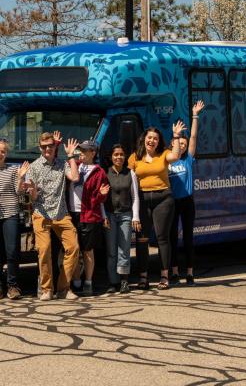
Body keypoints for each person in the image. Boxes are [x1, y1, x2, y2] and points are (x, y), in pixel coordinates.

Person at [128, 121, 186, 290]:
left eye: (155, 138)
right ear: (144, 139)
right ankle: (143, 277)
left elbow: (175, 156)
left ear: (158, 141)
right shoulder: (135, 157)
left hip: (163, 199)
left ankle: (164, 276)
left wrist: (175, 136)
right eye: (149, 137)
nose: (152, 141)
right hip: (142, 200)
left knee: (162, 238)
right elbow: (128, 177)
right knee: (142, 239)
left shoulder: (164, 154)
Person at [24, 132, 80, 301]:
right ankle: (47, 288)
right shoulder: (33, 167)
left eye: (50, 145)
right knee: (44, 249)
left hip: (61, 213)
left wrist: (71, 156)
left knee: (74, 248)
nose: (47, 148)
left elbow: (75, 177)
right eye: (44, 146)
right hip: (41, 214)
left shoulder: (62, 163)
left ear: (55, 146)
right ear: (40, 148)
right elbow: (32, 198)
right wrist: (32, 189)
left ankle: (63, 288)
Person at [0, 139, 30, 300]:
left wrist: (21, 178)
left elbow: (19, 193)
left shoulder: (13, 170)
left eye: (3, 151)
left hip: (10, 214)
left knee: (12, 251)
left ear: (6, 154)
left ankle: (13, 285)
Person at [169, 100, 205, 286]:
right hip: (172, 203)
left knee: (188, 238)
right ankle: (174, 272)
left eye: (184, 143)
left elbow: (193, 137)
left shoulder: (188, 159)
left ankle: (190, 273)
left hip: (187, 201)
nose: (182, 145)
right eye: (179, 143)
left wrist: (195, 115)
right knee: (172, 238)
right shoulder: (168, 160)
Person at [69, 140, 109, 296]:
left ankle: (88, 281)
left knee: (87, 250)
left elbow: (100, 200)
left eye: (85, 151)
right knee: (74, 249)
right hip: (72, 213)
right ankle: (76, 280)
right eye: (81, 150)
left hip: (89, 215)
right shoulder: (74, 164)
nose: (81, 153)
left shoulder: (99, 172)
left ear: (93, 153)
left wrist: (102, 195)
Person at [104, 144, 140, 294]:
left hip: (125, 215)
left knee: (124, 249)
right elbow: (101, 198)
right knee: (111, 251)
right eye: (116, 154)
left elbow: (135, 196)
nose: (119, 157)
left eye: (121, 154)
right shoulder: (105, 174)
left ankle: (124, 281)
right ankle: (113, 282)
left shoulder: (130, 173)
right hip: (110, 215)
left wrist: (135, 216)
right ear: (111, 157)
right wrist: (104, 215)